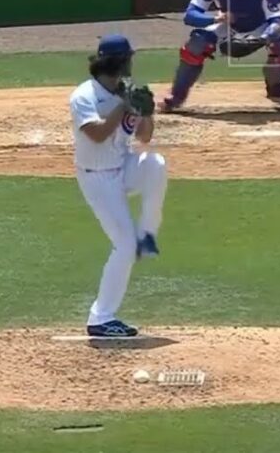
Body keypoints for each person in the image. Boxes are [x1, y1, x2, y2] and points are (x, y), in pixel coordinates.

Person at [69, 34, 167, 338]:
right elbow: (97, 135)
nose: (131, 64)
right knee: (124, 246)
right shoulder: (84, 95)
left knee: (155, 163)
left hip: (122, 168)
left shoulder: (128, 91)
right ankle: (100, 318)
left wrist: (146, 112)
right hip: (97, 178)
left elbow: (145, 138)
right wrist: (123, 106)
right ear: (117, 61)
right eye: (128, 58)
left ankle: (147, 233)